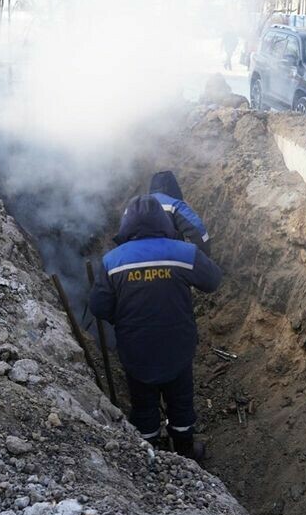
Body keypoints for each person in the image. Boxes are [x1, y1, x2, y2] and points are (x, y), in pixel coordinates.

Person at [89, 194, 222, 460]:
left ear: (127, 223)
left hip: (135, 347)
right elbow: (213, 281)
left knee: (143, 403)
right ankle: (185, 452)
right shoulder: (184, 253)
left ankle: (150, 454)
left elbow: (99, 307)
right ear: (163, 221)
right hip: (178, 344)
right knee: (181, 399)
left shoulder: (112, 261)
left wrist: (124, 319)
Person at [149, 170, 211, 256]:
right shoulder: (174, 204)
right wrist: (203, 257)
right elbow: (197, 230)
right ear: (173, 187)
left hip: (136, 262)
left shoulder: (137, 206)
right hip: (169, 259)